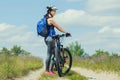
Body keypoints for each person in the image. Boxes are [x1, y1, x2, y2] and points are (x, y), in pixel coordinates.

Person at [44, 6, 70, 75]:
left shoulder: (45, 19)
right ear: (50, 11)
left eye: (55, 11)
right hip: (51, 38)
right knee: (50, 54)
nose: (55, 12)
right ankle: (47, 71)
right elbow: (58, 27)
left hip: (47, 38)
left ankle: (51, 70)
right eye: (54, 11)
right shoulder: (50, 19)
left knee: (53, 54)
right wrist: (65, 32)